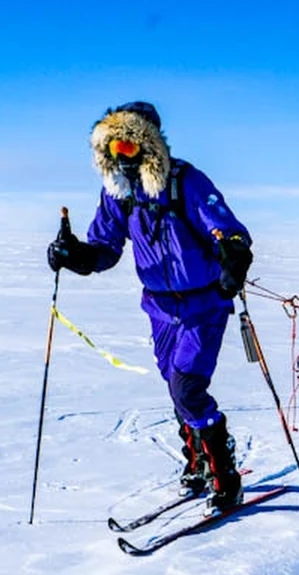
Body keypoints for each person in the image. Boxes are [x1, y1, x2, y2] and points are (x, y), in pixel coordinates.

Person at [47, 101, 253, 514]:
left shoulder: (185, 181)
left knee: (188, 386)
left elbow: (228, 230)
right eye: (111, 149)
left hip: (204, 303)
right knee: (175, 385)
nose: (120, 157)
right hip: (159, 308)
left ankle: (226, 478)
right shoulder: (118, 194)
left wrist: (234, 255)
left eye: (127, 147)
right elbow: (105, 248)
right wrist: (75, 255)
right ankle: (197, 463)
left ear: (149, 145)